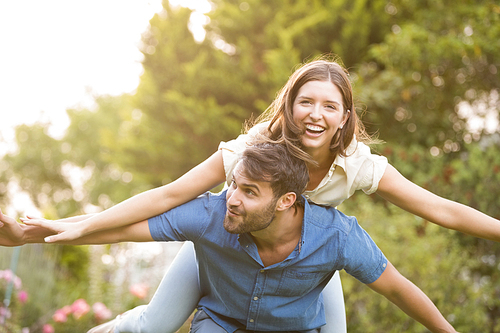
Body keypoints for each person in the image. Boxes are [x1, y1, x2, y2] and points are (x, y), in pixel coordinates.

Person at [2, 56, 500, 332]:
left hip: (306, 259)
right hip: (225, 248)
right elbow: (169, 196)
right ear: (289, 105)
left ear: (345, 118)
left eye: (330, 106)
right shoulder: (249, 152)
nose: (315, 114)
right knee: (154, 325)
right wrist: (70, 225)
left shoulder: (357, 166)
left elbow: (439, 208)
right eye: (305, 101)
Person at [3, 142, 457, 333]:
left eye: (248, 191)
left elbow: (397, 287)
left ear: (287, 201)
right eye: (232, 185)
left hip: (298, 311)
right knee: (152, 326)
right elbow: (124, 226)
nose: (231, 199)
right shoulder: (212, 212)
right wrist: (33, 233)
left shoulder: (337, 236)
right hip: (220, 310)